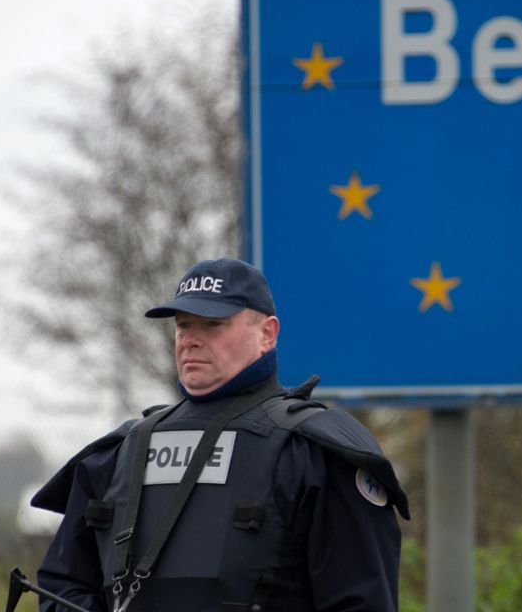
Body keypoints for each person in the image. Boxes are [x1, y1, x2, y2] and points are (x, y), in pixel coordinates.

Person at [31, 257, 410, 612]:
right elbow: (63, 586)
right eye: (183, 325)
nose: (190, 340)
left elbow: (362, 601)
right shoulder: (119, 454)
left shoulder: (313, 453)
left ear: (267, 334)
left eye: (213, 325)